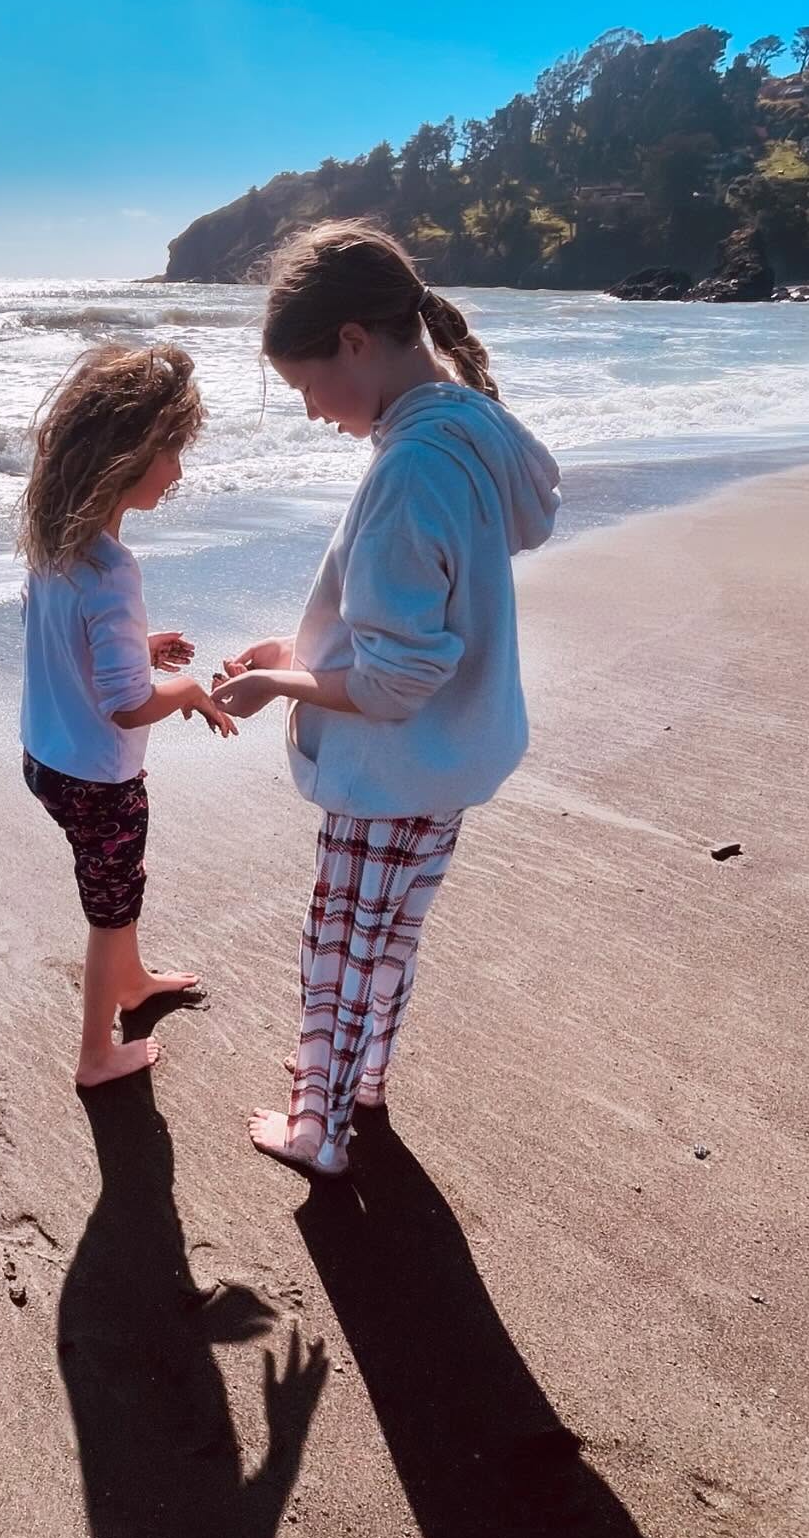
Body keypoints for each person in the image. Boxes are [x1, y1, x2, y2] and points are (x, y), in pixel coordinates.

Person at [213, 222, 560, 1174]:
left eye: (305, 386)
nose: (311, 412)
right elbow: (426, 617)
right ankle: (360, 1080)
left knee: (343, 943)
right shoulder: (469, 424)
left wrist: (275, 682)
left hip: (393, 764)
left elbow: (397, 680)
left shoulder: (409, 468)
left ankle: (317, 1131)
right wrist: (301, 650)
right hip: (449, 756)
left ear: (355, 341)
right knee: (388, 935)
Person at [19, 343, 236, 1088]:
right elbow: (127, 704)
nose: (178, 471)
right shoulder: (112, 570)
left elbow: (64, 642)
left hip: (46, 758)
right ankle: (96, 1056)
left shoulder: (55, 544)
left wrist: (137, 648)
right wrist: (191, 692)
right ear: (127, 457)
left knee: (118, 883)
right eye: (170, 452)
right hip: (98, 779)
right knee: (109, 912)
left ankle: (135, 983)